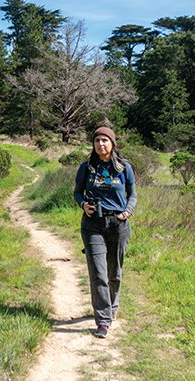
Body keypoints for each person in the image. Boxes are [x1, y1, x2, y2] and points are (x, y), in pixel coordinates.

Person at [73, 126, 137, 338]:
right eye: (97, 140)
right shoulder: (87, 167)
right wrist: (83, 204)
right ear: (93, 144)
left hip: (118, 224)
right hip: (92, 224)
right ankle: (103, 320)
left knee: (114, 270)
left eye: (105, 140)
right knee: (98, 273)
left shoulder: (123, 167)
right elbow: (77, 192)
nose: (101, 144)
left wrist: (127, 212)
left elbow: (132, 195)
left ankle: (113, 303)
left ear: (112, 143)